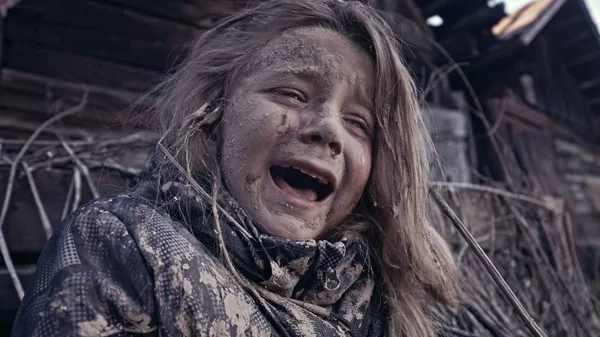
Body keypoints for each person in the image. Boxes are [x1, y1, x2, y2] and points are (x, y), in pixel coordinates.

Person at [12, 0, 459, 336]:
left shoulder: (387, 305)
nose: (327, 130)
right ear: (217, 110)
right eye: (291, 94)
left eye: (358, 122)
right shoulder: (125, 244)